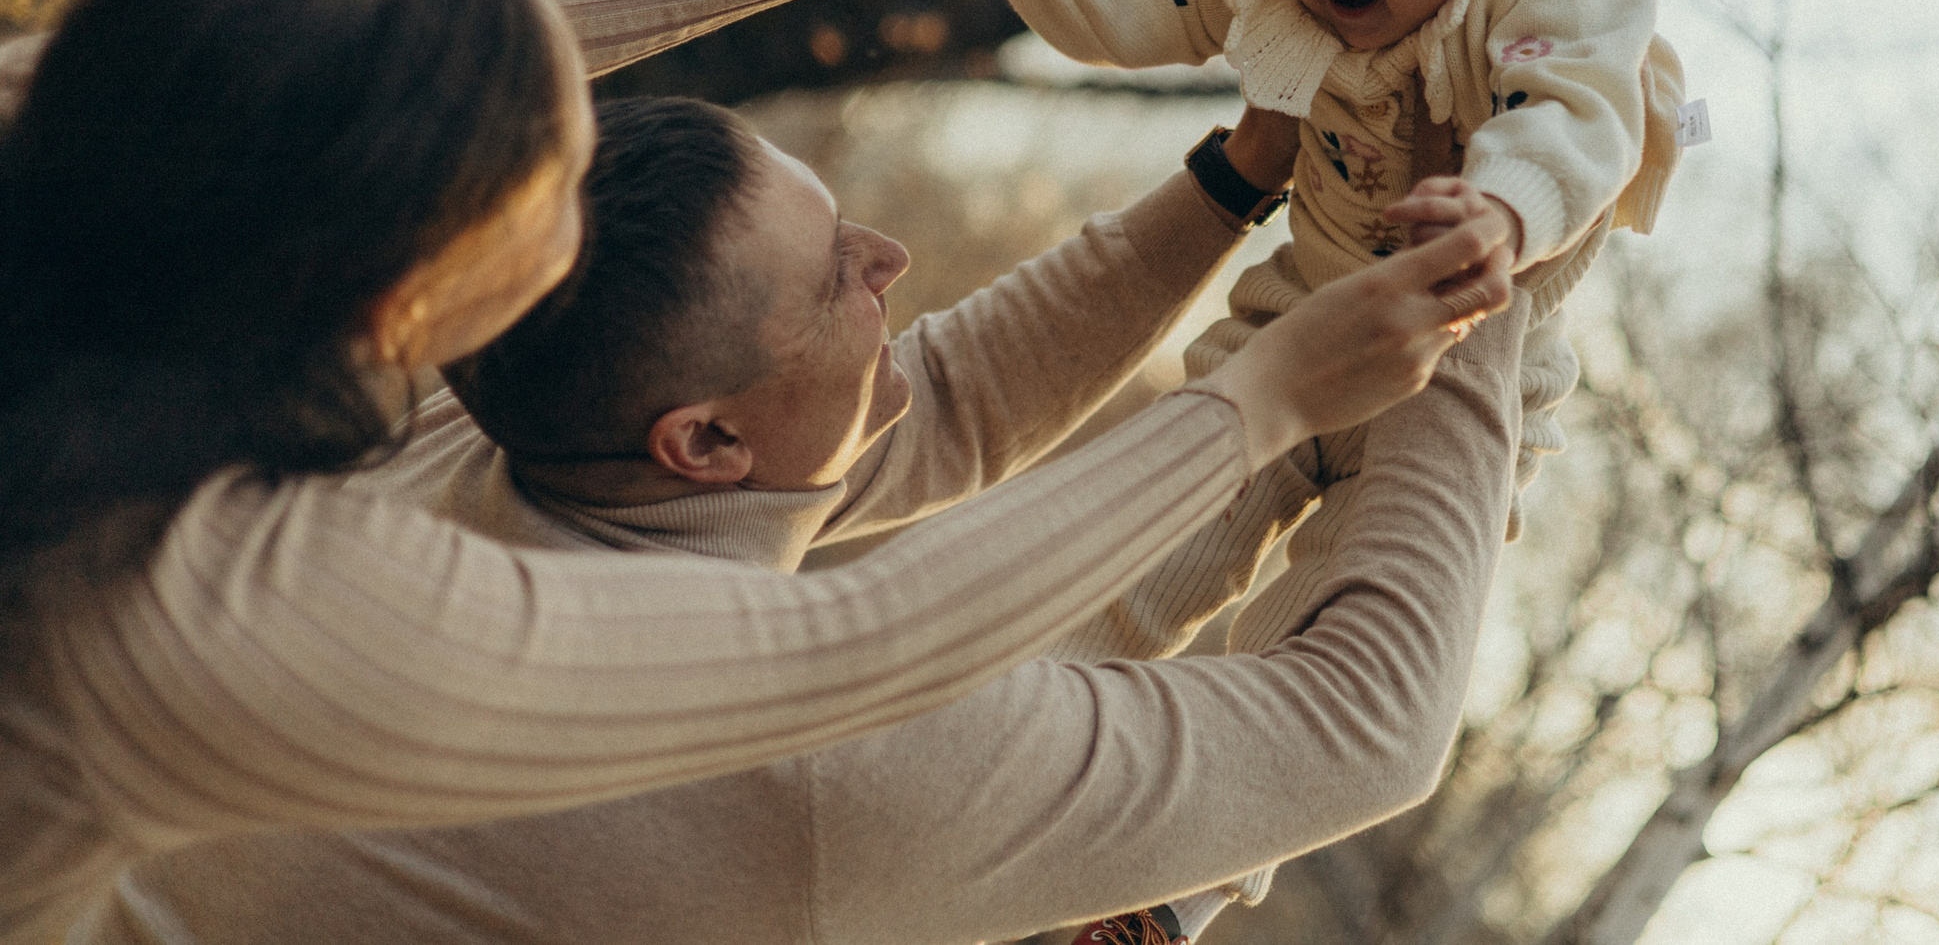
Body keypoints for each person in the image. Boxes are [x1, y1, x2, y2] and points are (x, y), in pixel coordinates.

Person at [0, 0, 1513, 945]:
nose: (582, 173)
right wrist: (1436, 321)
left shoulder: (317, 393)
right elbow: (1350, 723)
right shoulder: (225, 600)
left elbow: (347, 30)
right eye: (540, 180)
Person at [85, 95, 1525, 945]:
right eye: (842, 270)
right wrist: (1499, 296)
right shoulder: (811, 766)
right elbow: (1360, 727)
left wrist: (1238, 171)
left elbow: (944, 395)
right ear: (704, 438)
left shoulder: (476, 422)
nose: (891, 257)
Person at [970, 0, 1694, 933]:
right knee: (1137, 551)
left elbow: (1580, 116)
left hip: (1452, 396)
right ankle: (985, 759)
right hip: (1292, 329)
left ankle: (1155, 906)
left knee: (1309, 649)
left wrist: (1501, 209)